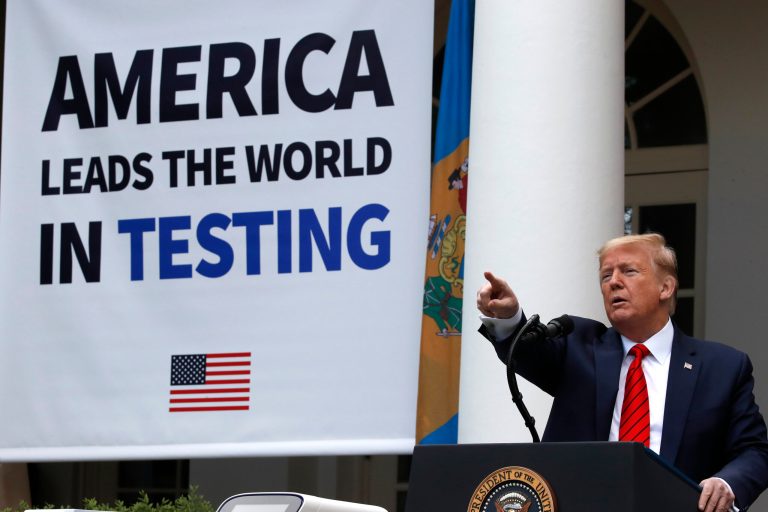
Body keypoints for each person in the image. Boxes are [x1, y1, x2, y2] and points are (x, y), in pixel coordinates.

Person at [476, 233, 768, 512]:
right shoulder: (578, 345)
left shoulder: (722, 367)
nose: (614, 282)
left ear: (665, 288)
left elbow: (755, 451)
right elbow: (528, 353)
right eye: (606, 276)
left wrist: (727, 483)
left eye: (629, 271)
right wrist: (509, 318)